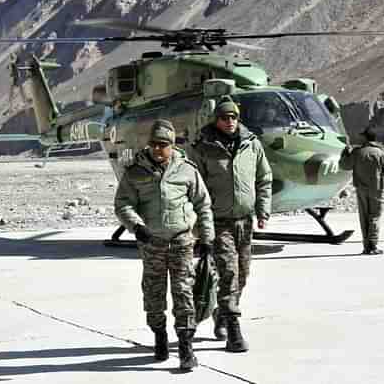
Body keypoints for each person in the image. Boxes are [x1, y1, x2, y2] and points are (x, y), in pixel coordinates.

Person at [114, 119, 215, 371]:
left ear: (172, 145)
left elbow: (203, 205)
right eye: (154, 144)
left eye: (163, 145)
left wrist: (207, 237)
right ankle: (159, 335)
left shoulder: (186, 170)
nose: (158, 149)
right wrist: (137, 227)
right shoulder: (135, 172)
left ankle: (185, 346)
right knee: (153, 293)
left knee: (183, 293)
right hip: (152, 244)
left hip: (181, 241)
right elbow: (123, 204)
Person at [188, 96, 272, 352]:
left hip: (244, 221)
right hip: (217, 221)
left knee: (242, 274)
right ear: (217, 120)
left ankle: (221, 313)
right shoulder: (203, 147)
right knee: (229, 272)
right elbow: (194, 187)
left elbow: (264, 177)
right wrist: (199, 226)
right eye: (225, 117)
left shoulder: (252, 144)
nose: (230, 122)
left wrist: (262, 210)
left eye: (234, 117)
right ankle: (234, 330)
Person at [339, 126, 384, 255]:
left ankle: (366, 247)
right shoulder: (381, 153)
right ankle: (373, 245)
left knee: (364, 218)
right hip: (376, 190)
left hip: (361, 189)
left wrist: (345, 154)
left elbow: (344, 166)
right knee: (374, 217)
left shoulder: (357, 152)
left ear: (366, 138)